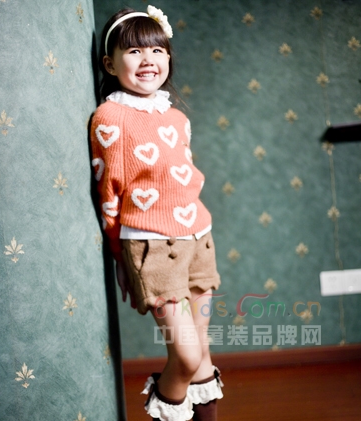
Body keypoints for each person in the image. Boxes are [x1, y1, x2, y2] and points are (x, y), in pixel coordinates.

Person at [91, 5, 223, 420]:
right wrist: (120, 258)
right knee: (184, 356)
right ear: (110, 64)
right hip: (151, 247)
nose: (148, 59)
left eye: (157, 50)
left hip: (198, 238)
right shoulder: (110, 118)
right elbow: (109, 194)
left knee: (201, 354)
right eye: (134, 51)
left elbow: (182, 178)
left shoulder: (177, 118)